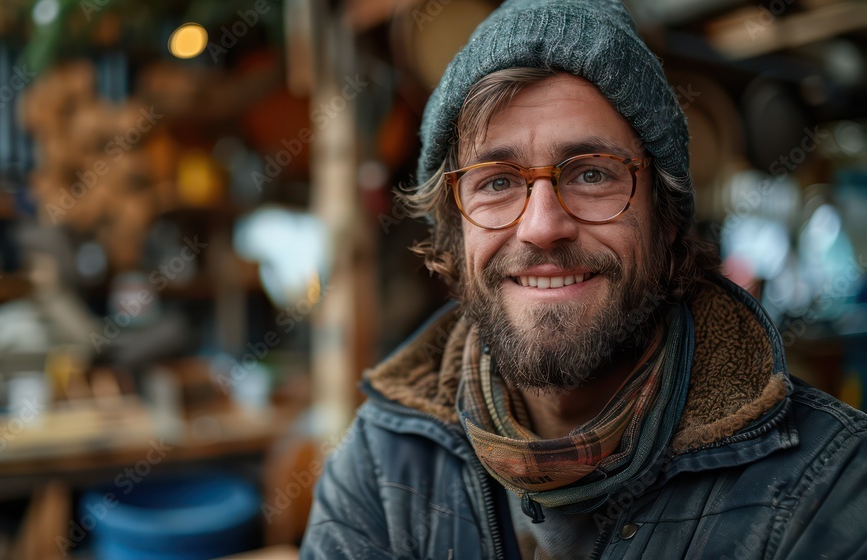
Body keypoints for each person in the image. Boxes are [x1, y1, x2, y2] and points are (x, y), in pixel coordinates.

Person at [301, 0, 867, 558]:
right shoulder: (382, 461)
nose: (542, 227)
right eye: (496, 182)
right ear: (453, 231)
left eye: (592, 173)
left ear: (664, 218)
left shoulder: (826, 487)